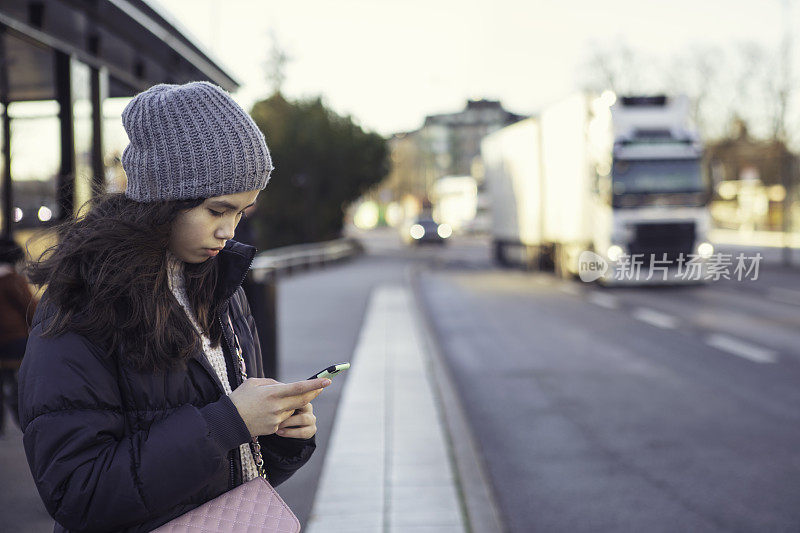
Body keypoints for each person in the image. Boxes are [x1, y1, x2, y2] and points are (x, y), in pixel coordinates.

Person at [18, 81, 331, 532]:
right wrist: (229, 422)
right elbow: (78, 493)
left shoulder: (221, 286)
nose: (229, 230)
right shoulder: (85, 303)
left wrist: (280, 437)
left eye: (242, 212)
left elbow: (229, 474)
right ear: (163, 199)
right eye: (217, 210)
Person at [0, 237, 36, 434]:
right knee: (18, 384)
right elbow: (30, 309)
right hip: (15, 342)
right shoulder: (13, 280)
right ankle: (22, 419)